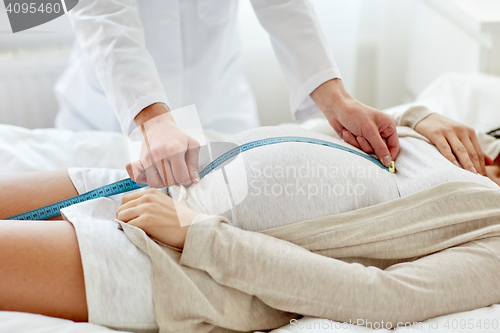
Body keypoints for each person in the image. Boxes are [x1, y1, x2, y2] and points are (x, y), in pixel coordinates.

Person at [0, 109, 499, 332]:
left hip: (179, 263)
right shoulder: (465, 139)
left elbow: (384, 299)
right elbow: (360, 128)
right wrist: (417, 116)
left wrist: (197, 235)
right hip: (157, 178)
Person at [54, 0, 488, 189]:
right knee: (82, 194)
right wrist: (151, 118)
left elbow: (282, 3)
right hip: (109, 111)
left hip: (220, 106)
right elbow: (100, 9)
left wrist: (337, 100)